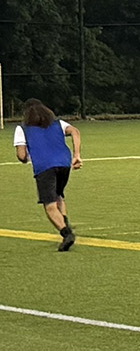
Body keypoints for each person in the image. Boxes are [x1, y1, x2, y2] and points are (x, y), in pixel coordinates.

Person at [13, 98, 82, 251]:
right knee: (58, 195)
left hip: (45, 167)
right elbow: (75, 131)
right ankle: (66, 224)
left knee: (49, 205)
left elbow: (21, 155)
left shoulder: (22, 129)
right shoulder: (58, 123)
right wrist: (77, 154)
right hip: (64, 164)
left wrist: (27, 157)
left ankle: (66, 233)